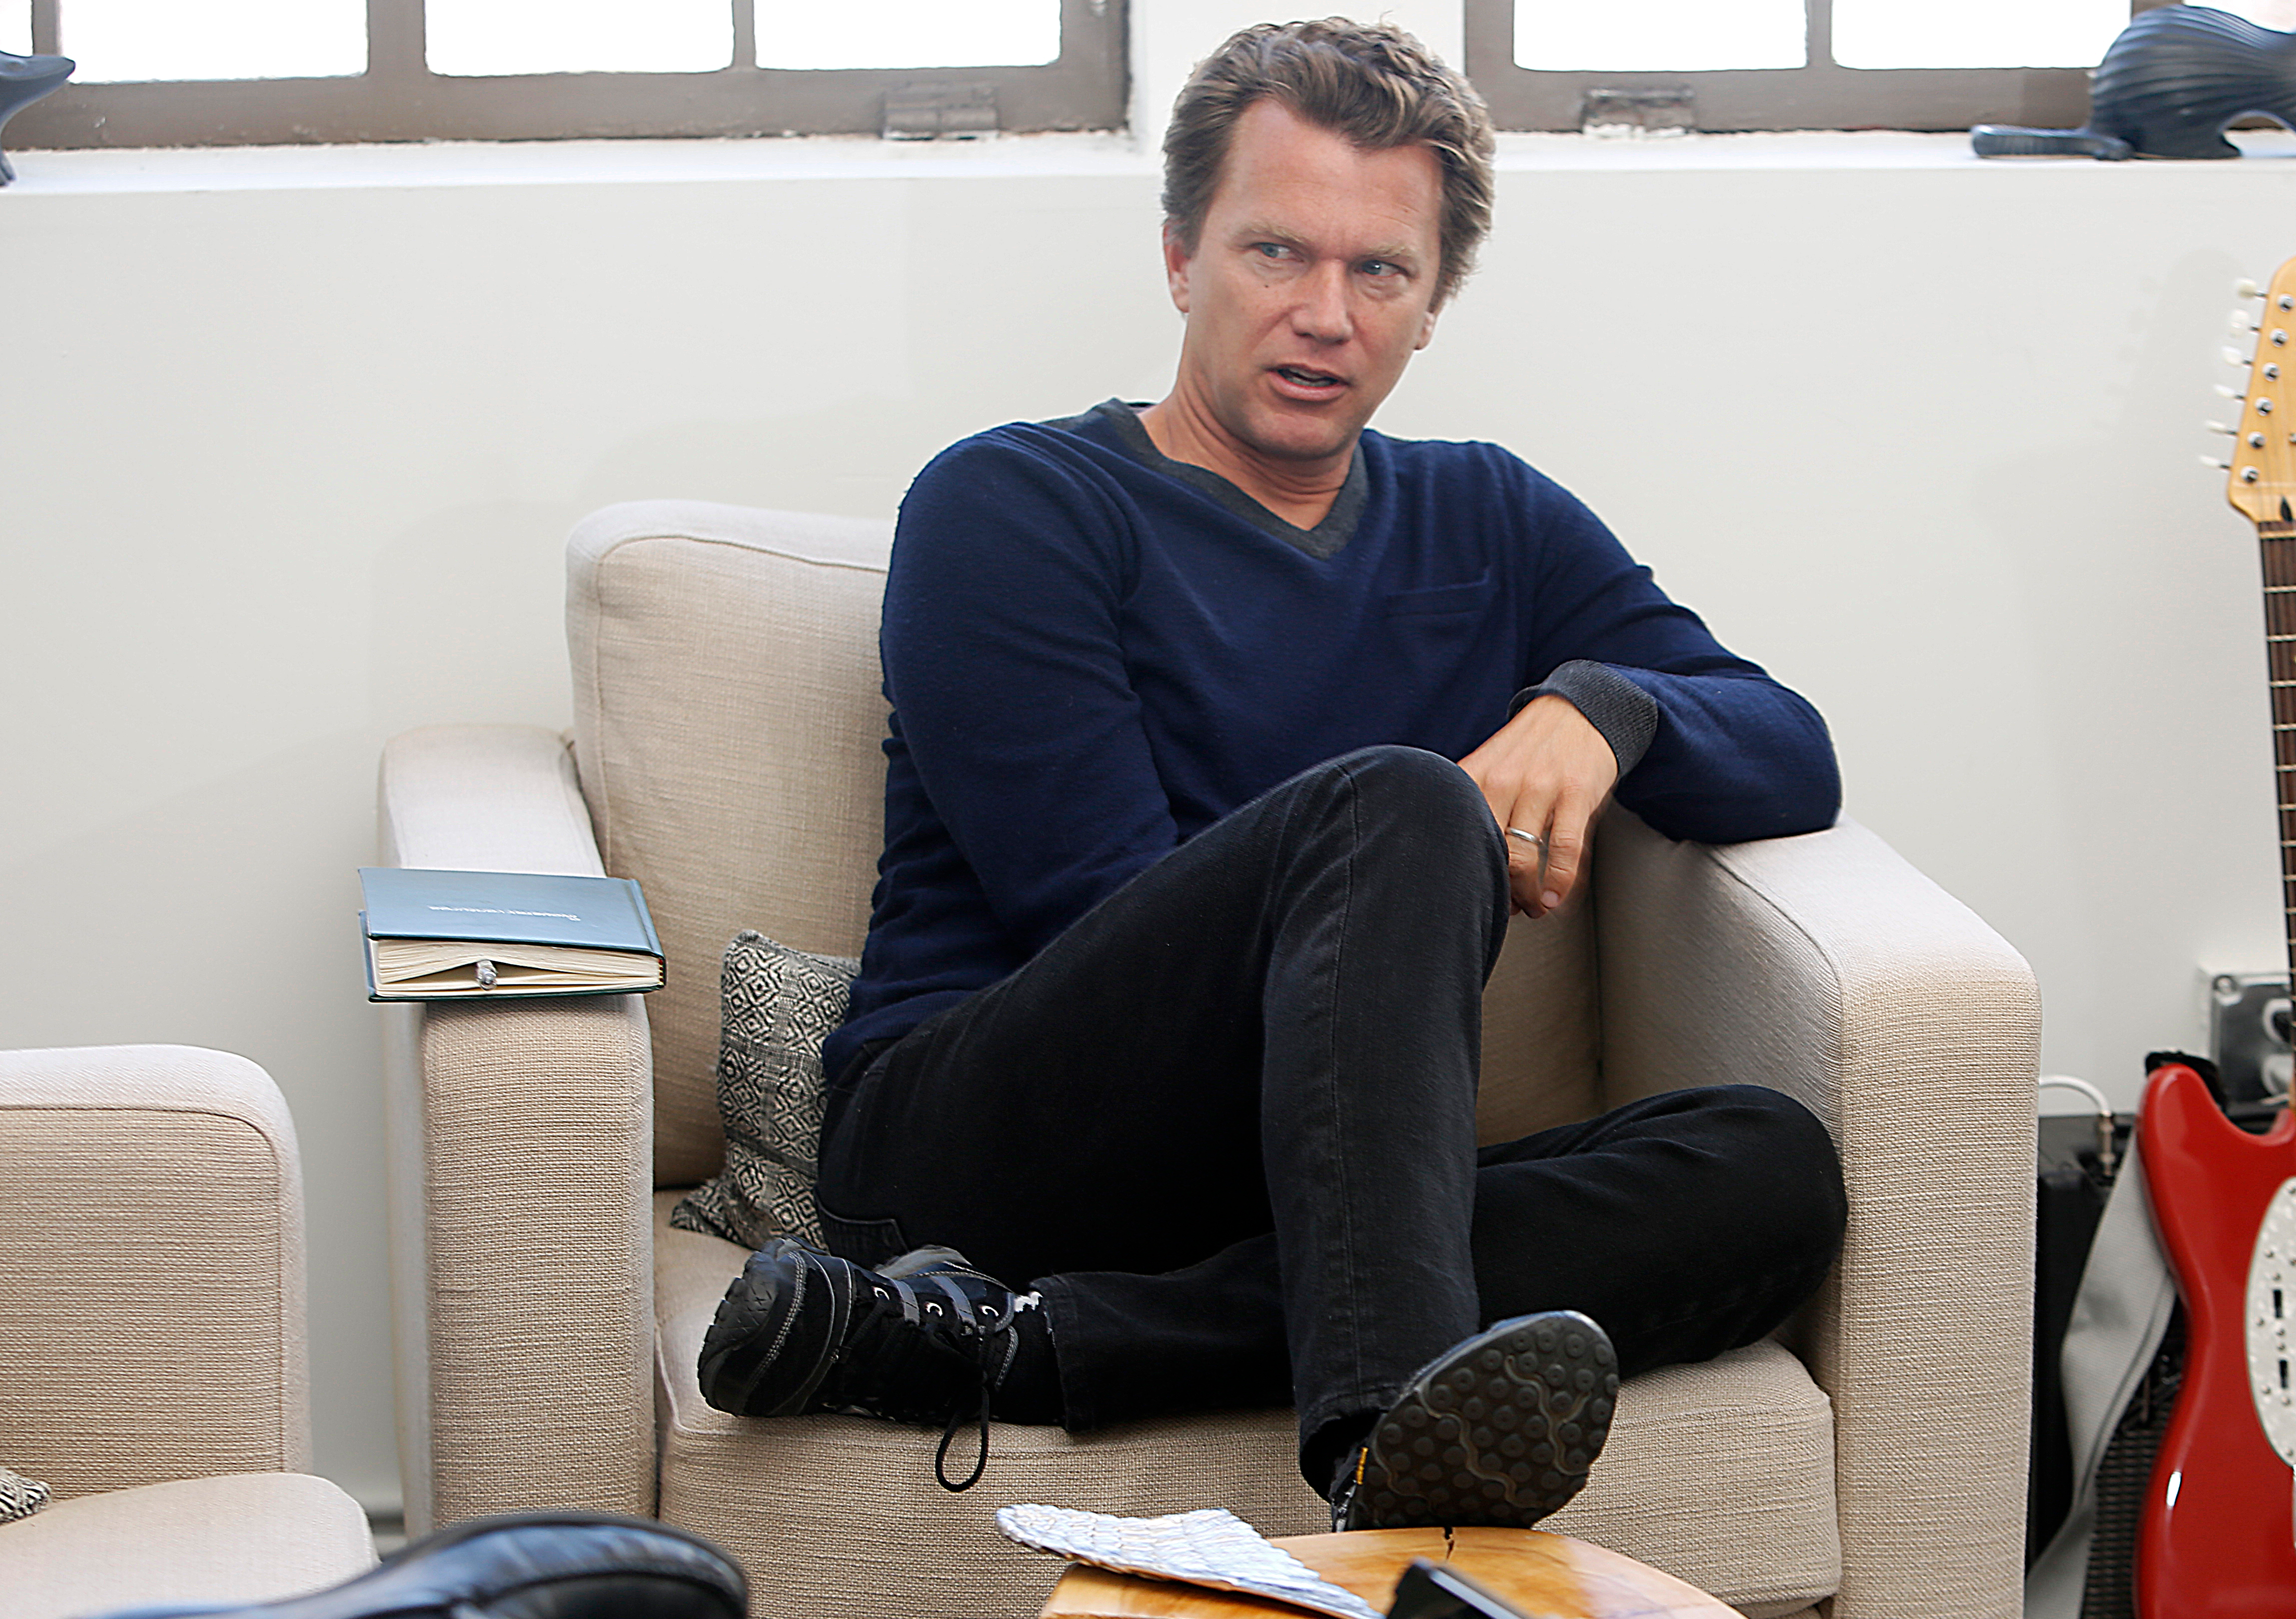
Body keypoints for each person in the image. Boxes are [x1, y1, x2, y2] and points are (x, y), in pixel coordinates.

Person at [696, 17, 1848, 1533]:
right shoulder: (1016, 504)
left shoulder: (1488, 518)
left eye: (1380, 271)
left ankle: (1012, 1349)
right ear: (1180, 258)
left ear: (1434, 305)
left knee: (1770, 1170)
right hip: (976, 1144)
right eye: (1274, 254)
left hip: (1300, 1179)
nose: (1325, 314)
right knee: (1403, 802)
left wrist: (1606, 706)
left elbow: (1792, 753)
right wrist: (1409, 852)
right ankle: (1386, 1449)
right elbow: (1095, 913)